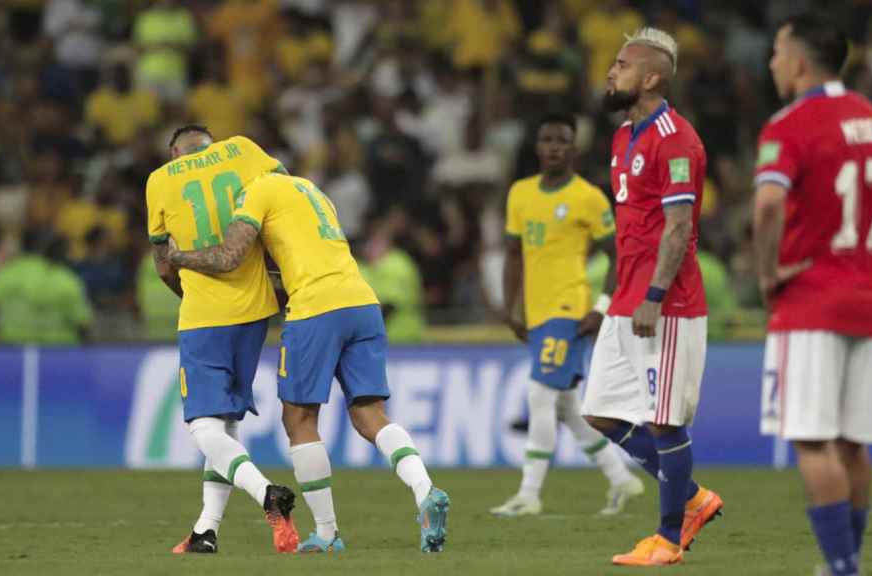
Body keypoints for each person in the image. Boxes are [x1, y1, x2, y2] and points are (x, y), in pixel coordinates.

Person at [165, 172, 451, 554]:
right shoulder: (314, 192)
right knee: (371, 415)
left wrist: (179, 257)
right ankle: (424, 490)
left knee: (299, 420)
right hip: (362, 301)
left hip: (316, 308)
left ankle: (327, 532)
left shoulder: (257, 189)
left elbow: (230, 256)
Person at [752, 13, 872, 576]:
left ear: (801, 62)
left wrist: (767, 272)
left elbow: (766, 206)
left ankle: (841, 567)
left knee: (812, 443)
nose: (772, 63)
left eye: (778, 53)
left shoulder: (788, 125)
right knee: (854, 443)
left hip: (808, 299)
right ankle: (848, 561)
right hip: (867, 299)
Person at [580, 28, 723, 567]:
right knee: (599, 413)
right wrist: (613, 296)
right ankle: (692, 498)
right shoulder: (622, 137)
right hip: (625, 301)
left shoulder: (677, 138)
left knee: (664, 421)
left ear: (651, 77)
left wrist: (655, 294)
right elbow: (630, 229)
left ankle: (668, 538)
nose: (611, 72)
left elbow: (679, 223)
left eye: (621, 65)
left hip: (667, 304)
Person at [146, 125, 297, 554]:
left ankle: (268, 494)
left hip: (205, 316)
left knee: (202, 425)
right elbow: (288, 188)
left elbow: (162, 264)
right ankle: (205, 531)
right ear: (210, 144)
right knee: (227, 422)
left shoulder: (161, 178)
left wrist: (188, 290)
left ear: (175, 151)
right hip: (255, 315)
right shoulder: (244, 150)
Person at [490, 112, 643, 518]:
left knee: (540, 396)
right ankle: (621, 479)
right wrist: (510, 309)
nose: (554, 147)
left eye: (562, 140)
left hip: (570, 309)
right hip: (537, 313)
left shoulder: (588, 197)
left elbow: (618, 256)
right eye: (547, 139)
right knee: (567, 408)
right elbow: (511, 254)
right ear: (537, 147)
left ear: (574, 149)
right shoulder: (520, 194)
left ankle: (529, 493)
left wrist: (601, 307)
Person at [0, 231, 92, 345]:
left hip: (12, 346)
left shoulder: (9, 273)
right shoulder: (66, 279)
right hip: (60, 350)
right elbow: (82, 321)